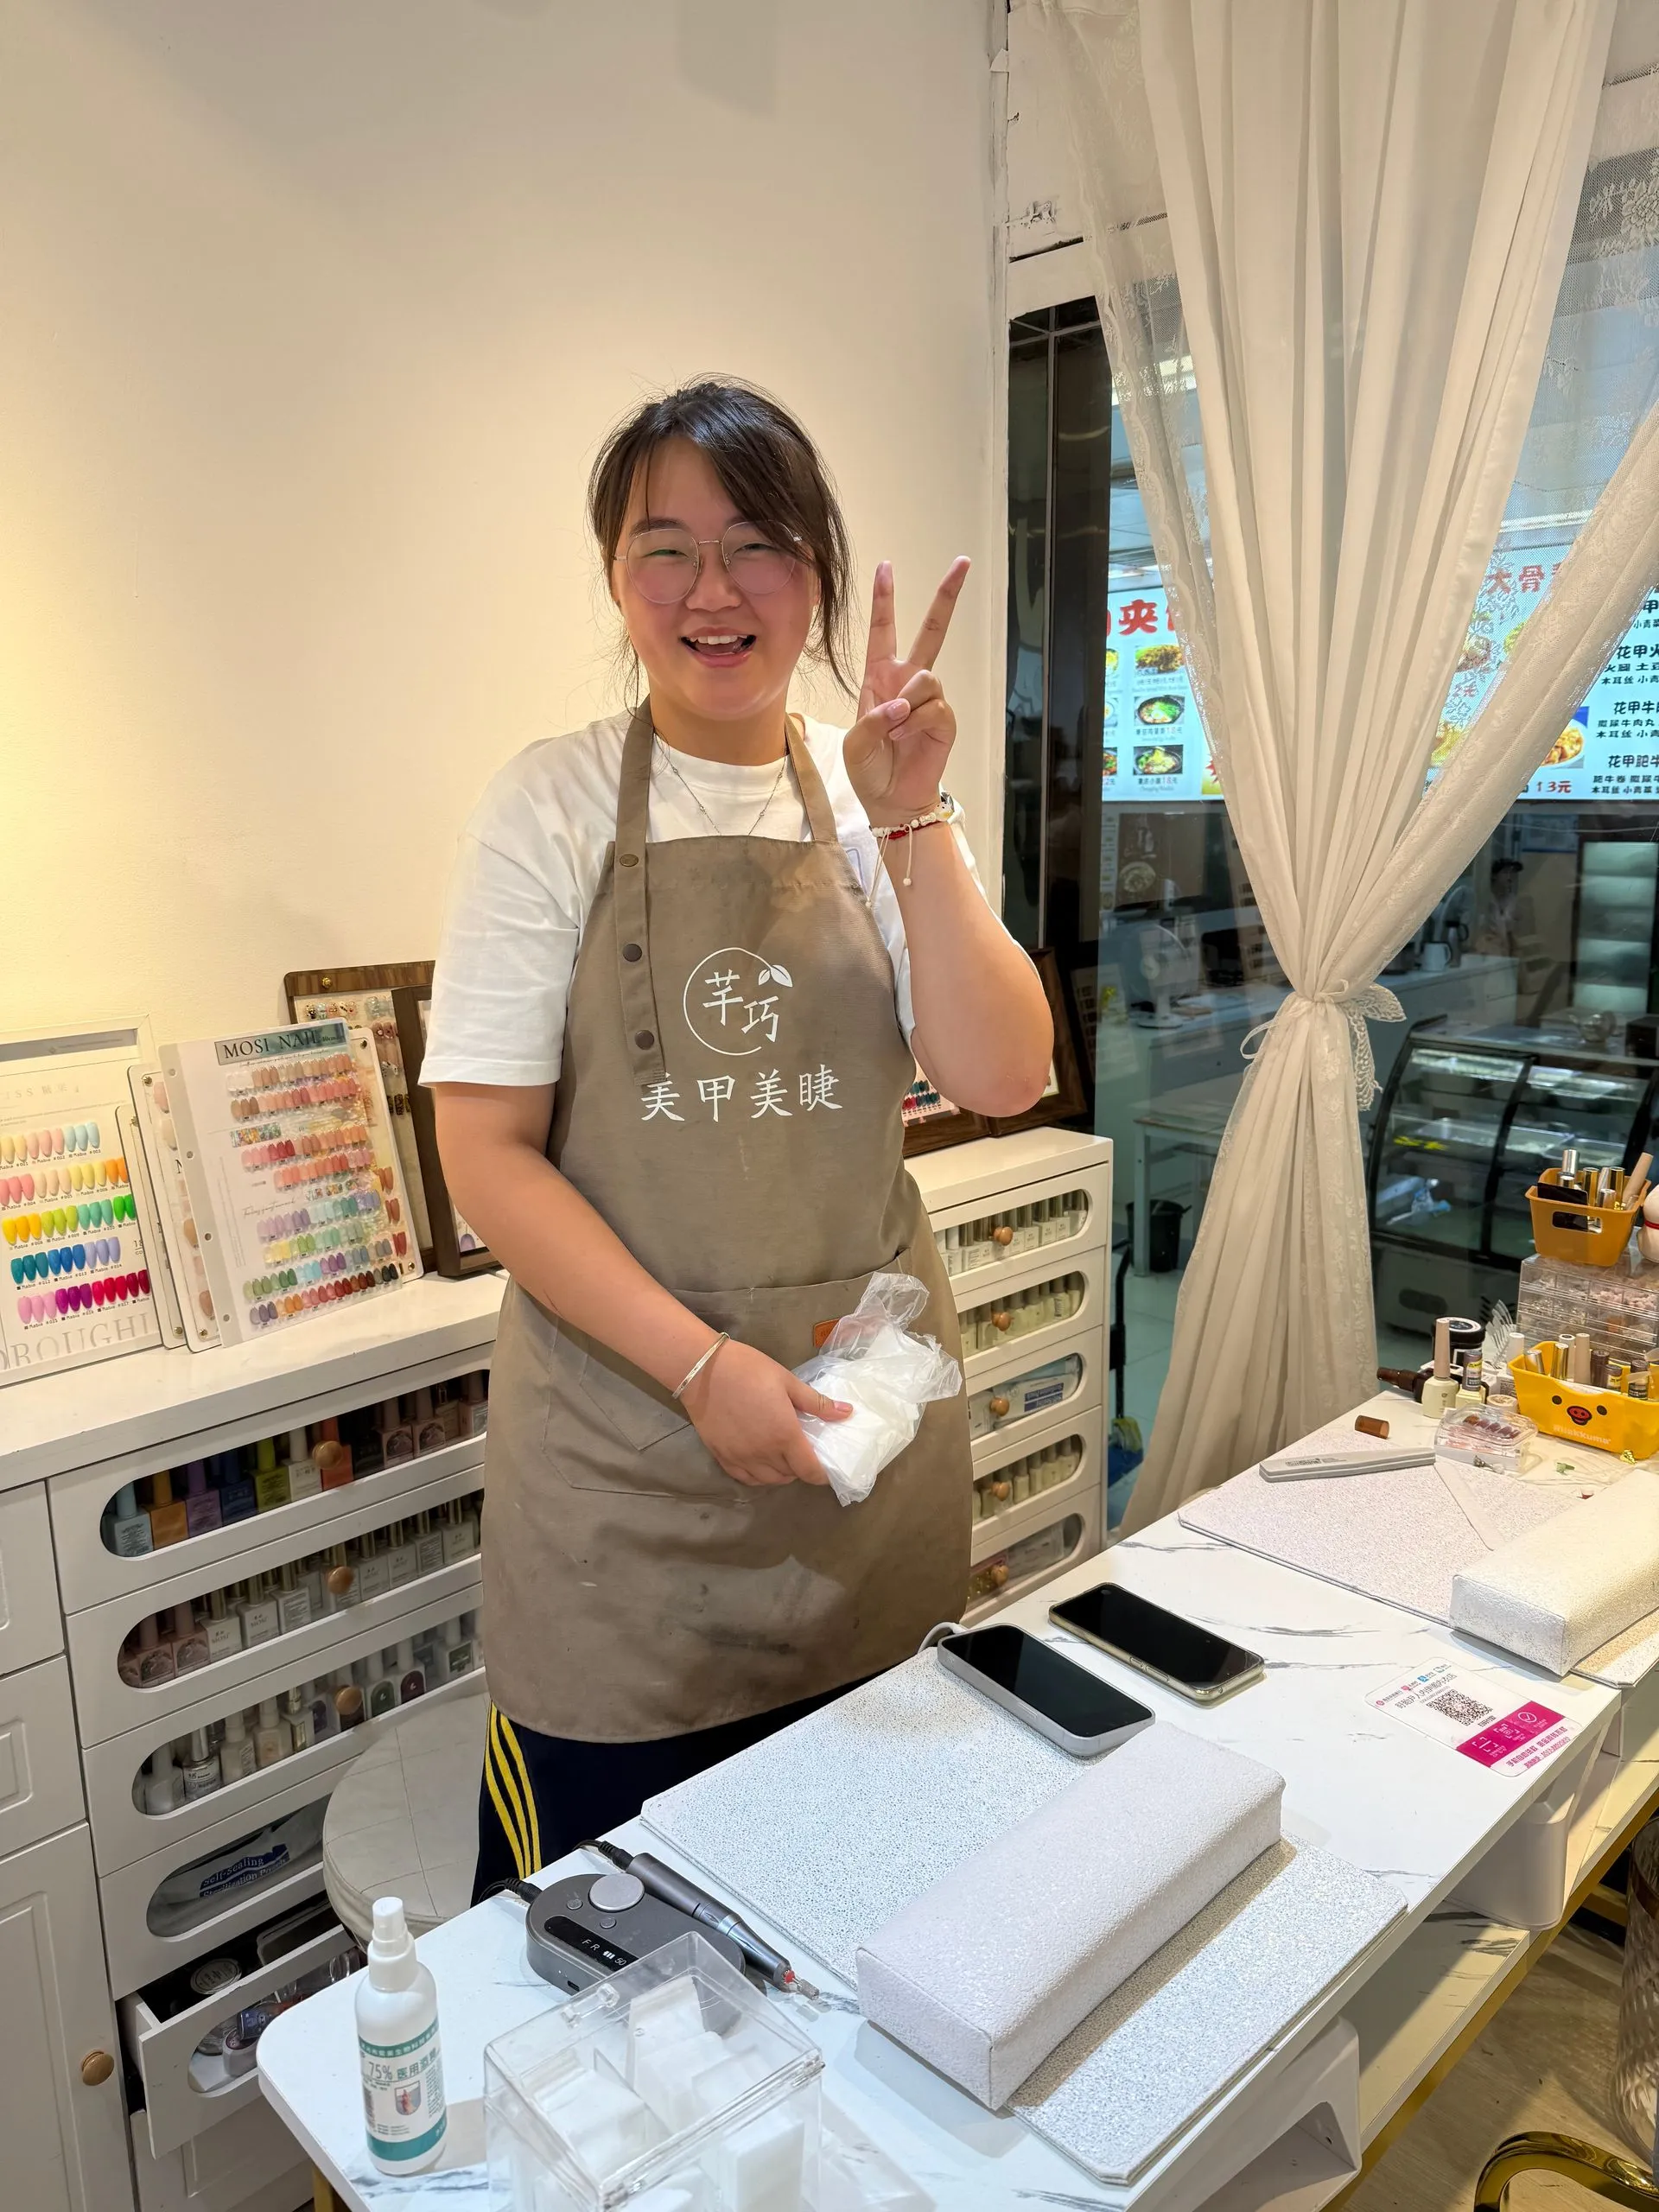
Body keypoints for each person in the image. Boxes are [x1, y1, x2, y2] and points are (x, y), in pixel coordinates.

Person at [421, 378, 1052, 1892]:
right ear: (616, 578)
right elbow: (488, 1156)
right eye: (667, 549)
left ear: (814, 573)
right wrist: (701, 1369)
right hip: (625, 1488)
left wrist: (913, 817)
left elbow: (1004, 1071)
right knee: (604, 1955)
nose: (713, 591)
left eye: (757, 544)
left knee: (871, 1909)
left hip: (856, 1459)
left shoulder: (872, 789)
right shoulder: (552, 804)